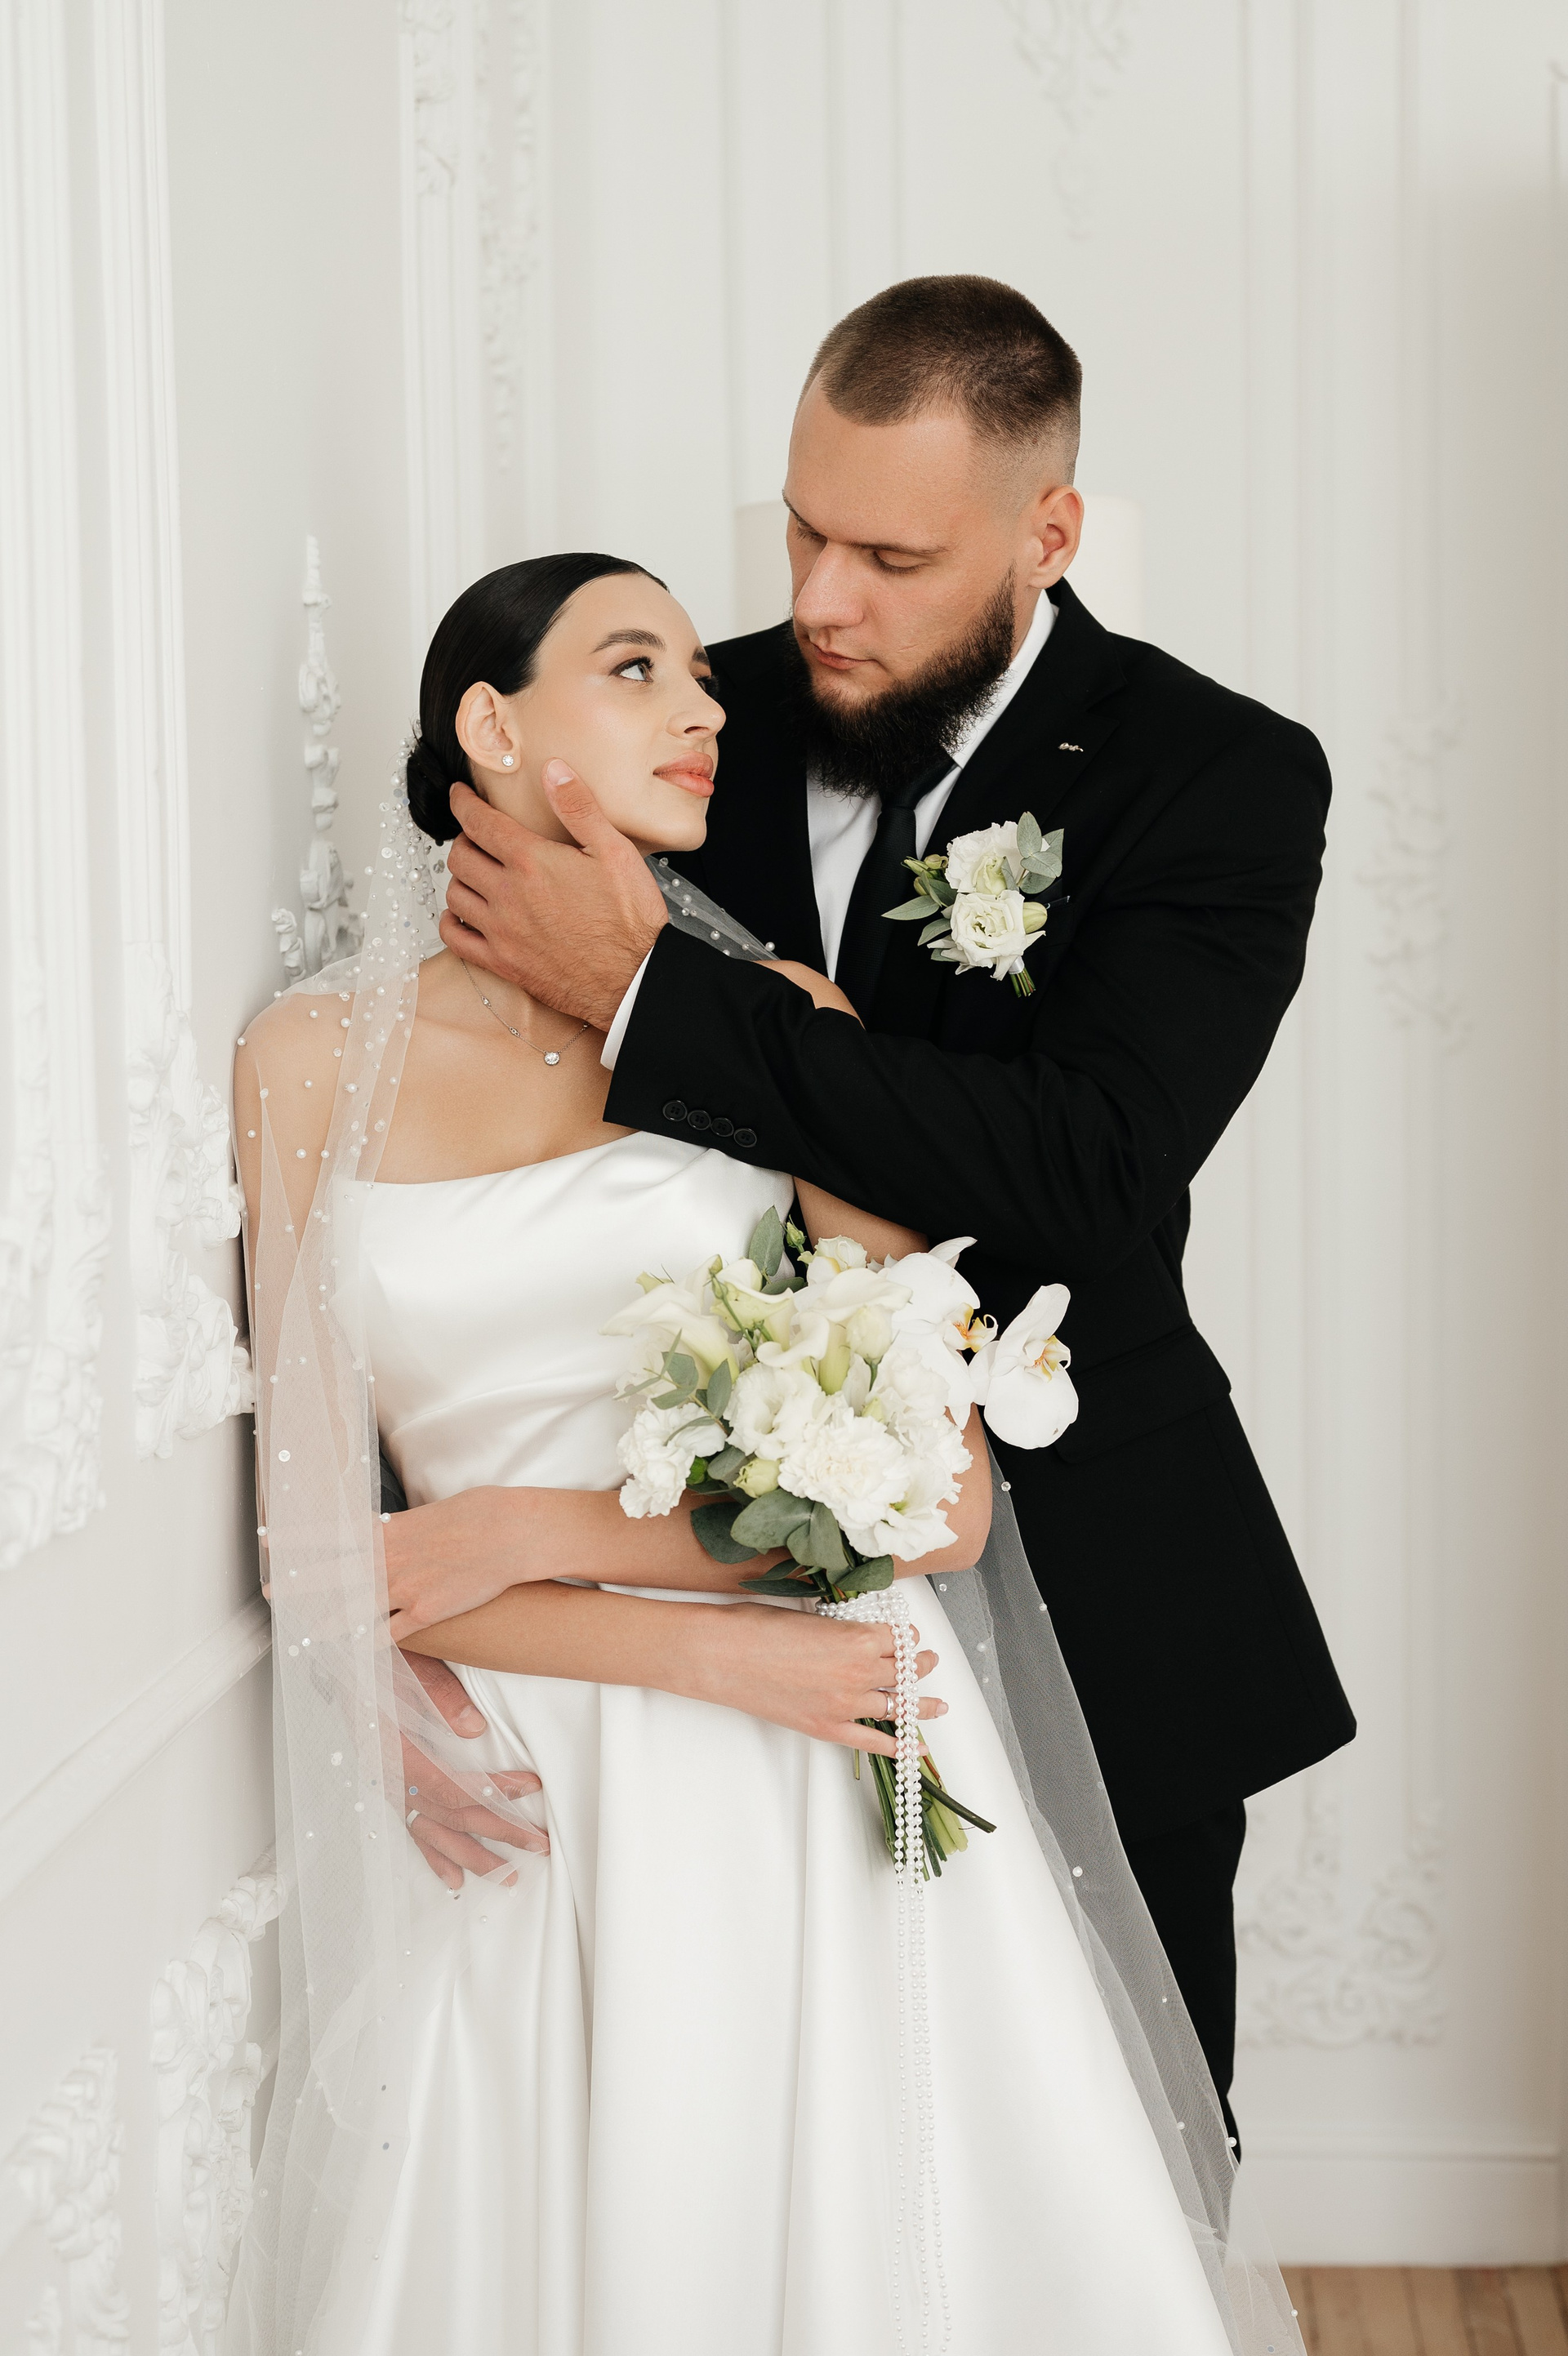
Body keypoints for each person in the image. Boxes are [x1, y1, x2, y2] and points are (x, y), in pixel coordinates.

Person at [228, 553, 1302, 2354]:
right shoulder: (304, 1063)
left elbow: (942, 1501)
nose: (708, 705)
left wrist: (527, 1530)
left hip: (835, 1748)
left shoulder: (781, 1024)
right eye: (634, 667)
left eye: (699, 678)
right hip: (541, 1776)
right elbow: (332, 1559)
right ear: (489, 724)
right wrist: (709, 1653)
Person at [422, 274, 1357, 2147]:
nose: (820, 601)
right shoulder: (684, 719)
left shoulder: (1222, 775)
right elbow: (479, 1135)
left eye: (891, 557)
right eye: (801, 531)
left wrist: (656, 996)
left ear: (1049, 533)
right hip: (708, 1599)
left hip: (1100, 1569)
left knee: (1127, 2157)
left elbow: (1091, 1170)